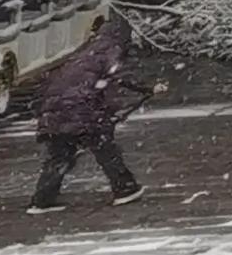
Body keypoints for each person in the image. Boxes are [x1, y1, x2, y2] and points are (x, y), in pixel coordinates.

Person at [28, 14, 148, 211]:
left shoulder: (85, 50)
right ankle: (125, 189)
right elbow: (118, 77)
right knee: (105, 149)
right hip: (81, 109)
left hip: (55, 110)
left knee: (60, 156)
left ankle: (42, 200)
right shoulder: (111, 50)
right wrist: (147, 88)